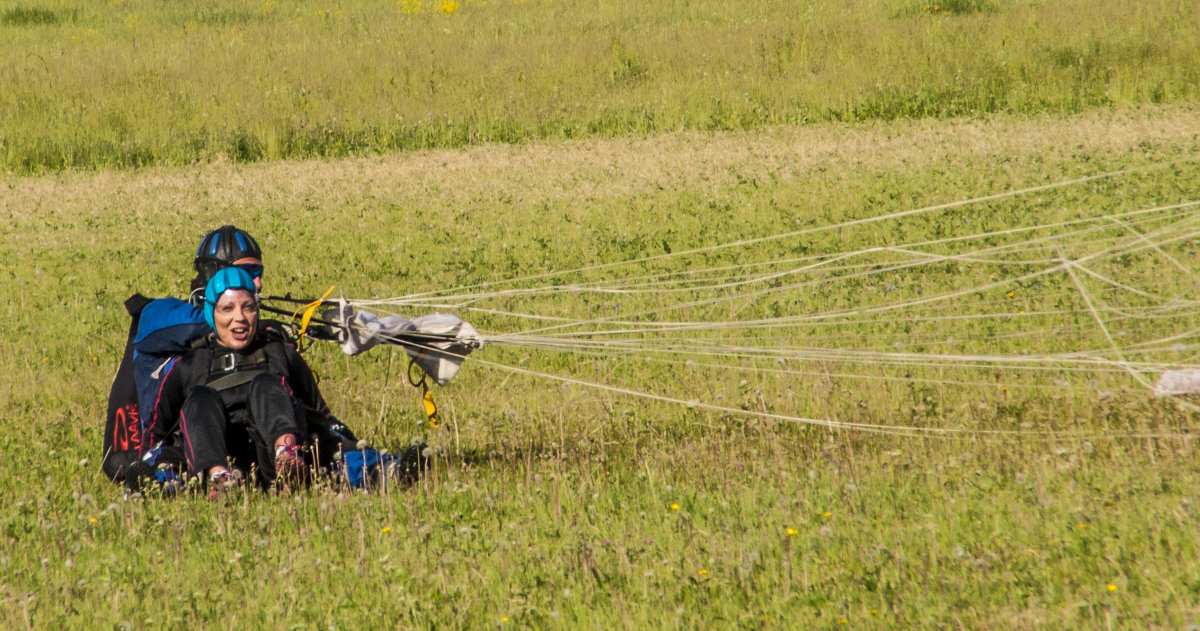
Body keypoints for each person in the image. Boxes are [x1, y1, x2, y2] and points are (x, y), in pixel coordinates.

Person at [145, 267, 319, 495]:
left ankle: (286, 456)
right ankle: (220, 480)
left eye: (248, 307)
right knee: (199, 397)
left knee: (266, 384)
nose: (240, 317)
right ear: (211, 313)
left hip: (268, 464)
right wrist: (146, 472)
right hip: (217, 458)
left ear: (257, 310)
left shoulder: (280, 354)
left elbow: (320, 416)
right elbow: (156, 435)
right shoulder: (189, 366)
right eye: (227, 309)